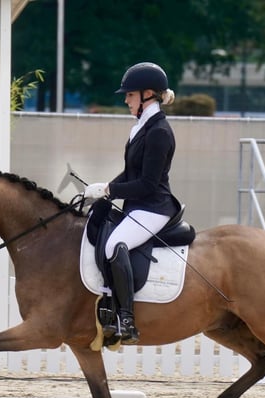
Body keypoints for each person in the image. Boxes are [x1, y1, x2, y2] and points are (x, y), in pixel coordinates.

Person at [84, 62, 181, 344]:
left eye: (130, 95)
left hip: (154, 207)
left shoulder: (159, 131)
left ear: (148, 94)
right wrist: (105, 191)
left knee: (115, 245)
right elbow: (130, 173)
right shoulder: (141, 127)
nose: (126, 99)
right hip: (138, 205)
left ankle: (126, 318)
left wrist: (109, 188)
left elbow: (148, 184)